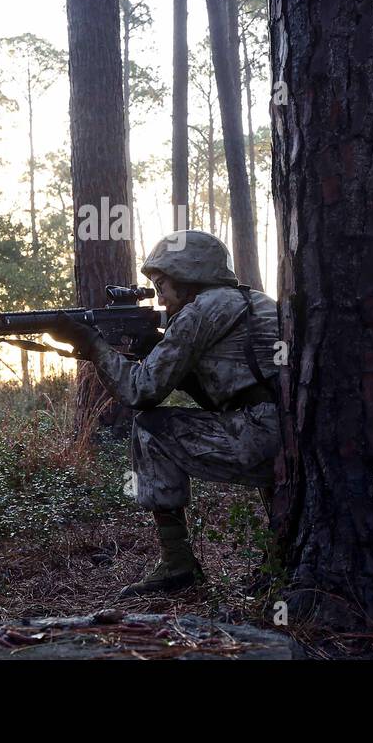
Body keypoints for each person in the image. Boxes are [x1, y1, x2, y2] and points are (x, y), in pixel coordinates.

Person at [48, 229, 279, 598]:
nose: (158, 295)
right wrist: (161, 350)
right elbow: (230, 389)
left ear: (188, 276)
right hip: (287, 434)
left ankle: (177, 563)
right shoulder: (251, 301)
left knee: (151, 428)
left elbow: (140, 392)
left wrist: (92, 345)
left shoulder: (201, 310)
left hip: (262, 434)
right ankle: (281, 560)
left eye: (160, 284)